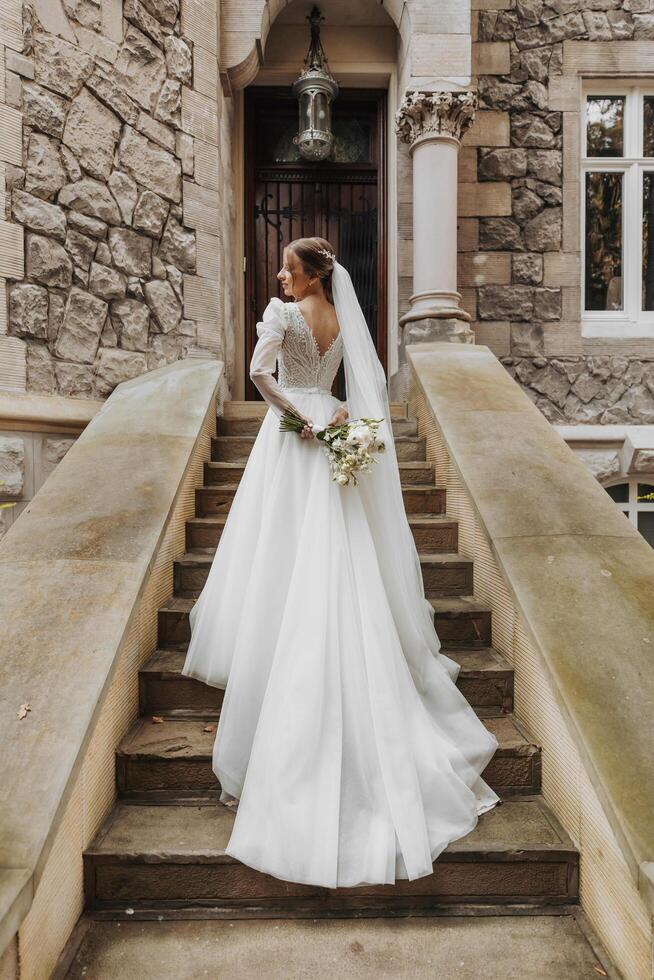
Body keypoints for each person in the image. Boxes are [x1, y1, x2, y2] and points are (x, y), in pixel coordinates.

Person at [181, 236, 501, 889]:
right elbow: (361, 383)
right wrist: (338, 419)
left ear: (307, 274)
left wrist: (299, 416)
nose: (279, 274)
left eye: (288, 268)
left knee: (283, 549)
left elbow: (259, 376)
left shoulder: (282, 314)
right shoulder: (337, 317)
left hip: (299, 434)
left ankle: (281, 650)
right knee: (332, 550)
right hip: (333, 426)